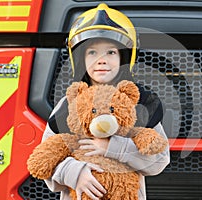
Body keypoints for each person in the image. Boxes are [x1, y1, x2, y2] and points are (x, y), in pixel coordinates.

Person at [41, 3, 170, 200]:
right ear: (80, 59)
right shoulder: (68, 106)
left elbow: (159, 160)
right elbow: (46, 160)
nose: (101, 60)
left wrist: (111, 148)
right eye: (92, 52)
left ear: (124, 57)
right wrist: (75, 173)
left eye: (110, 52)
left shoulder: (139, 105)